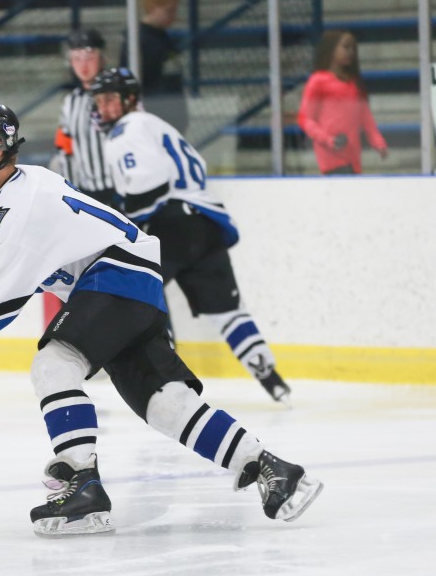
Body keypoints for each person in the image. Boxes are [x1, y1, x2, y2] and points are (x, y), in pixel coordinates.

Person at [0, 103, 323, 536]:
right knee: (165, 404)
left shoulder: (21, 202)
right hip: (130, 283)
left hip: (114, 278)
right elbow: (15, 279)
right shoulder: (20, 192)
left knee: (54, 364)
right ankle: (272, 468)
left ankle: (82, 483)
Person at [89, 67, 291, 406]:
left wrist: (120, 216)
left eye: (110, 99)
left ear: (130, 99)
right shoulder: (154, 125)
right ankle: (273, 381)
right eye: (99, 100)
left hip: (172, 223)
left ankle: (168, 382)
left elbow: (149, 185)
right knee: (227, 312)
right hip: (206, 222)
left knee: (141, 294)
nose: (104, 107)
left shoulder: (128, 129)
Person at [297, 30, 388, 175]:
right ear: (331, 49)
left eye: (353, 49)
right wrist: (328, 139)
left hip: (353, 157)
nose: (350, 52)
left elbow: (366, 118)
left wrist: (378, 142)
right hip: (331, 156)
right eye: (346, 47)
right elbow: (305, 118)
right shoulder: (318, 81)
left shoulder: (354, 83)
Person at [53, 28, 117, 209]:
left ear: (102, 58)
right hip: (86, 193)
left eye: (89, 57)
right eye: (76, 58)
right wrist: (71, 191)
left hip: (118, 191)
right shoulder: (70, 102)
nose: (83, 65)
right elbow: (64, 149)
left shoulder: (117, 96)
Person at [119, 0, 188, 134]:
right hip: (153, 120)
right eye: (169, 11)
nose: (174, 17)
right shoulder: (138, 41)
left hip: (170, 118)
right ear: (152, 7)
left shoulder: (162, 38)